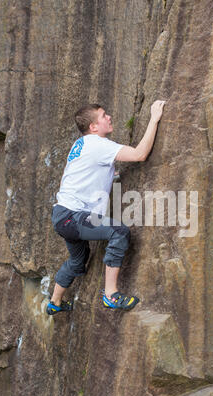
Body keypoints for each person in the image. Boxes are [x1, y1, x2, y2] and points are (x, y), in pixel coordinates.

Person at [47, 100, 166, 315]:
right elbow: (140, 154)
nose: (109, 117)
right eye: (103, 116)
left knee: (78, 260)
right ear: (93, 127)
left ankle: (55, 302)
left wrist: (112, 175)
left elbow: (84, 171)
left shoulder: (81, 144)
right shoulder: (98, 144)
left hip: (62, 214)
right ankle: (111, 295)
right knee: (118, 232)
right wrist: (154, 119)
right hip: (73, 217)